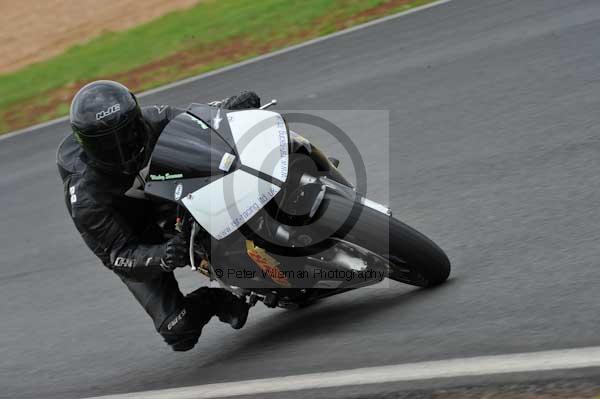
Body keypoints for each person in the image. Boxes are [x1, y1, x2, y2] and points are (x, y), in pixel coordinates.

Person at [57, 80, 261, 351]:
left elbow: (197, 120)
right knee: (179, 331)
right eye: (109, 146)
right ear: (89, 148)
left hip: (169, 198)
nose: (124, 150)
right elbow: (117, 254)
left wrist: (228, 110)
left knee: (229, 167)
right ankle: (217, 300)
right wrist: (161, 256)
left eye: (128, 134)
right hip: (134, 236)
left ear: (137, 120)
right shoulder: (84, 195)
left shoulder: (155, 119)